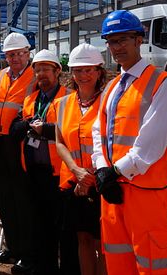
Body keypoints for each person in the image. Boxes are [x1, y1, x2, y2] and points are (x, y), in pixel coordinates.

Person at [92, 10, 167, 274]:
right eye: (111, 42)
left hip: (146, 194)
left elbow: (150, 144)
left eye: (122, 40)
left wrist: (114, 171)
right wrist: (101, 169)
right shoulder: (112, 87)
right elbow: (100, 131)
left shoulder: (163, 84)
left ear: (138, 40)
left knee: (152, 262)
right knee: (118, 259)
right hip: (113, 190)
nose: (116, 48)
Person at [10, 49, 72, 274]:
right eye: (38, 70)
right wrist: (28, 125)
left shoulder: (68, 98)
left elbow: (73, 131)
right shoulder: (30, 99)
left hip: (57, 173)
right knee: (36, 221)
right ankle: (38, 264)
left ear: (58, 71)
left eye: (46, 69)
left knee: (59, 226)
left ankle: (55, 268)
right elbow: (14, 129)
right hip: (33, 171)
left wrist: (44, 129)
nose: (41, 74)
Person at [53, 44, 108, 275]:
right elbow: (59, 142)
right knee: (82, 239)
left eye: (89, 70)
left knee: (103, 244)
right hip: (73, 184)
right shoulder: (63, 103)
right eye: (78, 70)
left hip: (102, 183)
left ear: (98, 72)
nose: (83, 76)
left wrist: (90, 177)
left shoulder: (109, 102)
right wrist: (76, 171)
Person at [0, 32, 37, 270]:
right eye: (11, 55)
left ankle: (26, 254)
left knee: (22, 201)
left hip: (20, 145)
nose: (15, 58)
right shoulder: (2, 76)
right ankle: (11, 247)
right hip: (0, 143)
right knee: (6, 199)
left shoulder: (34, 77)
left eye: (19, 54)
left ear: (28, 54)